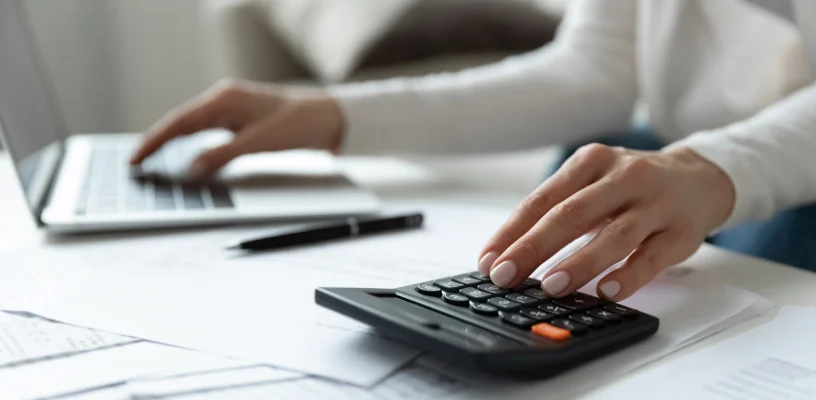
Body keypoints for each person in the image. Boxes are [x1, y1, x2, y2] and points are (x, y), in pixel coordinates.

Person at [131, 0, 816, 302]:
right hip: (692, 165)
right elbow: (596, 70)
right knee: (592, 173)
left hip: (784, 193)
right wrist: (331, 115)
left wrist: (712, 169)